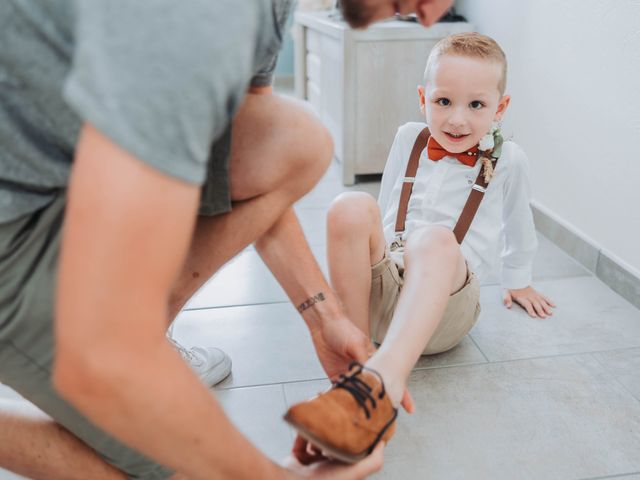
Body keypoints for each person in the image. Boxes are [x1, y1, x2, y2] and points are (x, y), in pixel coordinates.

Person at [285, 32, 556, 463]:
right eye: (443, 101)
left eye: (476, 105)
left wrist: (518, 281)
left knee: (431, 237)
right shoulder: (408, 138)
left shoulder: (510, 160)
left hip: (447, 306)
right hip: (386, 289)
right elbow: (386, 205)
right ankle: (354, 371)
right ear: (423, 97)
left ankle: (382, 384)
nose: (457, 120)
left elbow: (518, 224)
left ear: (500, 109)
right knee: (350, 207)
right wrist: (370, 251)